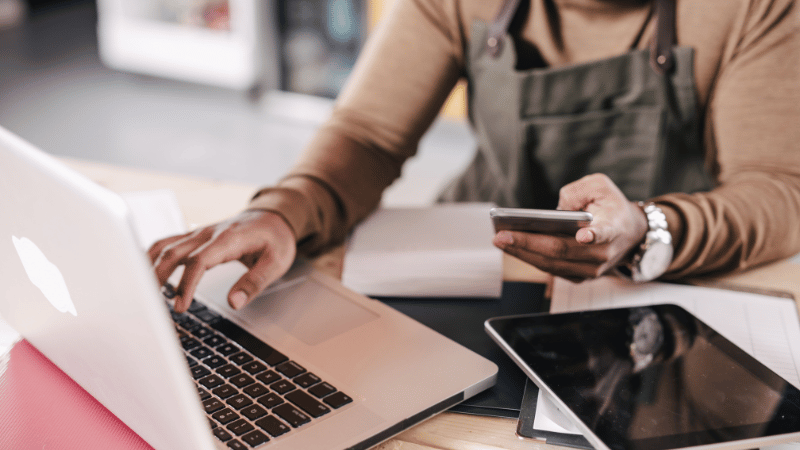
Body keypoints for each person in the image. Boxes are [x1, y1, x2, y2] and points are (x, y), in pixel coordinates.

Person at [150, 0, 800, 314]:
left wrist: (649, 230)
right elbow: (370, 134)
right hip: (475, 271)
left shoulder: (754, 8)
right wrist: (286, 211)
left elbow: (778, 191)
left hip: (665, 286)